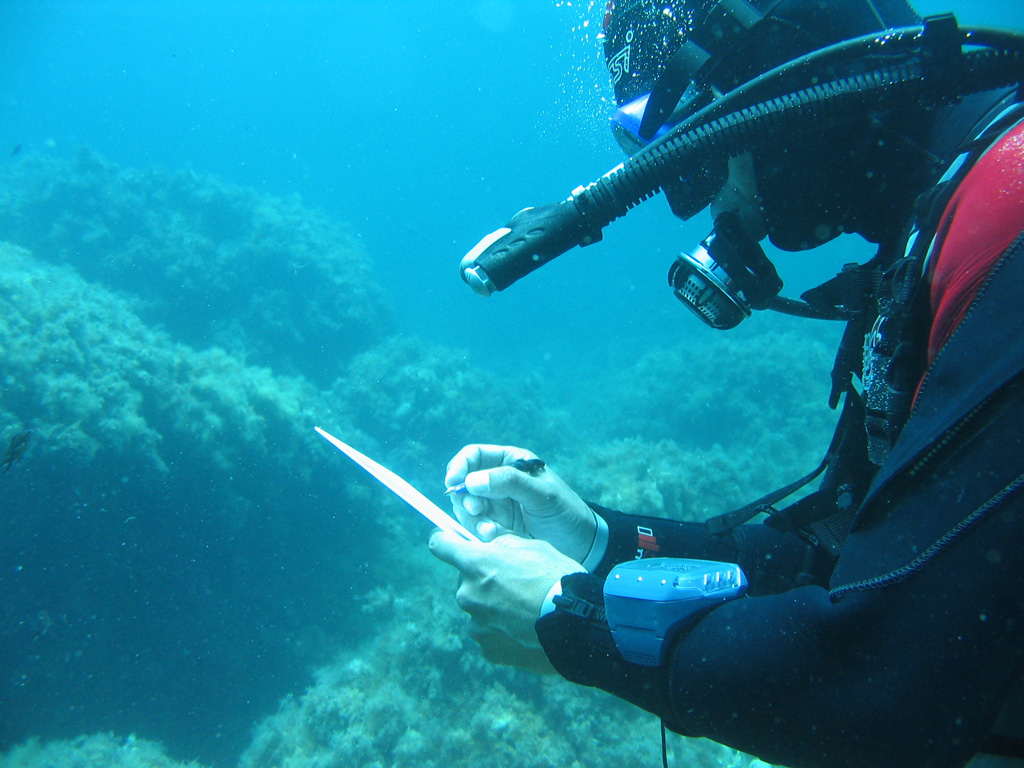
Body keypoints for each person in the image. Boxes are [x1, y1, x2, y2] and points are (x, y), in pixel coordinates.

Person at [429, 1, 1024, 767]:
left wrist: (571, 617)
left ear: (775, 72)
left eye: (712, 147)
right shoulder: (949, 220)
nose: (719, 206)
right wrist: (599, 543)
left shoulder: (1003, 221)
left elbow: (883, 686)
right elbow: (842, 556)